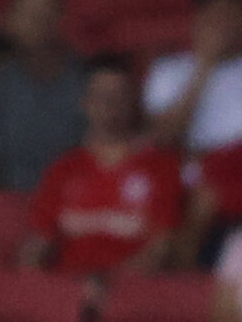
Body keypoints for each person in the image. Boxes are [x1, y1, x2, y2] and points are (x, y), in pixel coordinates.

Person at [21, 59, 183, 280]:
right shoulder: (63, 168)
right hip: (64, 291)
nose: (108, 104)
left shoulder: (161, 166)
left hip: (128, 294)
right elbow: (39, 241)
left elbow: (160, 249)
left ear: (134, 101)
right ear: (85, 102)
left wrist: (108, 284)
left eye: (118, 95)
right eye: (99, 95)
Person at [0, 0, 84, 193]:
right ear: (10, 22)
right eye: (28, 15)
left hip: (74, 201)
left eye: (45, 15)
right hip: (12, 202)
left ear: (61, 20)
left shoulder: (87, 81)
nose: (37, 22)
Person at [146, 0, 242, 156]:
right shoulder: (168, 71)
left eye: (232, 16)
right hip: (192, 165)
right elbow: (164, 136)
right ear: (199, 20)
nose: (225, 24)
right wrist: (205, 65)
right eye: (217, 17)